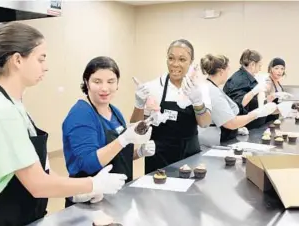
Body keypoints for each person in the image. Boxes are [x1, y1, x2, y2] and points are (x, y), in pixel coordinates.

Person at [0, 22, 127, 226]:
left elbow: (39, 169)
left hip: (23, 215)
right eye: (41, 58)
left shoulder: (14, 105)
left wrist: (77, 190)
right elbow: (36, 184)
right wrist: (91, 183)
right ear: (18, 60)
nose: (46, 66)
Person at [62, 56, 154, 207]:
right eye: (97, 81)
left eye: (111, 81)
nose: (105, 88)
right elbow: (88, 163)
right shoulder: (81, 115)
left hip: (117, 196)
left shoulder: (114, 111)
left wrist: (140, 153)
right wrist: (123, 139)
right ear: (87, 83)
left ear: (117, 84)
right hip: (90, 201)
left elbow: (117, 156)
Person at [130, 39, 212, 174]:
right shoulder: (154, 87)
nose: (175, 64)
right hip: (159, 157)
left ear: (191, 62)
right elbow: (137, 130)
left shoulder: (199, 88)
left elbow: (204, 123)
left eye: (182, 59)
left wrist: (197, 102)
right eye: (171, 58)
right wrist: (139, 104)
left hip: (190, 156)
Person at [198, 54, 277, 146]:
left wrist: (237, 129)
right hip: (212, 141)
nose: (228, 74)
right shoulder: (212, 92)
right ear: (221, 71)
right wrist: (257, 113)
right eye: (228, 70)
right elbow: (230, 122)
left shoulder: (213, 88)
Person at [223, 49, 268, 129]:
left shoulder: (248, 78)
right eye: (259, 66)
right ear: (252, 64)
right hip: (242, 129)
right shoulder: (240, 80)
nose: (260, 69)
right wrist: (254, 92)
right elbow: (237, 106)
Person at [265, 58, 289, 122]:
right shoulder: (268, 82)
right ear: (271, 69)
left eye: (282, 69)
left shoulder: (278, 82)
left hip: (276, 117)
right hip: (267, 118)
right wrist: (274, 96)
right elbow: (264, 102)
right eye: (276, 68)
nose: (280, 71)